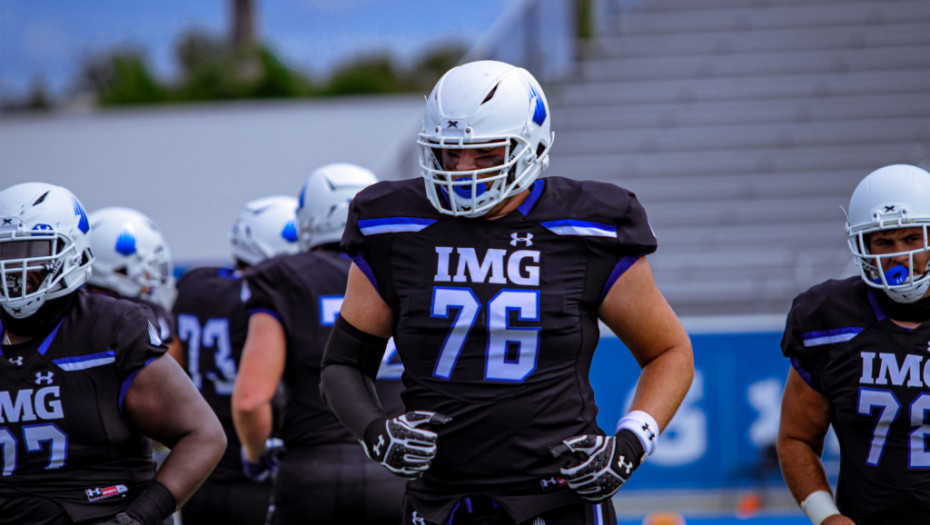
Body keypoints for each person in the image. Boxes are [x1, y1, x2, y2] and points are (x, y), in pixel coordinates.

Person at [319, 60, 694, 525]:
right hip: (439, 501)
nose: (462, 170)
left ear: (531, 147)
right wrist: (375, 431)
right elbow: (343, 365)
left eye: (485, 155)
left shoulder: (585, 228)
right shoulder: (394, 227)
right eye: (449, 154)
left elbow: (668, 351)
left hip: (558, 496)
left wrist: (632, 441)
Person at [0, 182, 225, 525]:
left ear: (72, 252)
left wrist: (138, 517)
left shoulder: (111, 329)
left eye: (32, 250)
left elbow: (203, 434)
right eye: (5, 252)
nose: (14, 268)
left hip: (99, 512)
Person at [232, 163, 407, 525]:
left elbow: (251, 400)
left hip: (313, 472)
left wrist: (255, 457)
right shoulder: (410, 267)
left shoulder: (284, 277)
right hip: (397, 467)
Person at [778, 163, 930, 525]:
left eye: (912, 239)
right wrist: (826, 516)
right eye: (884, 242)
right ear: (863, 245)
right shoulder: (828, 318)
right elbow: (796, 438)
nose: (899, 257)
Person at [172, 195, 300, 525]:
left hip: (201, 476)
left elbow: (172, 365)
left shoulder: (195, 284)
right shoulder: (271, 299)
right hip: (257, 473)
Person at [86, 206, 178, 350]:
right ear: (121, 270)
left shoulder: (70, 313)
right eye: (148, 270)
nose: (149, 280)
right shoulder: (144, 317)